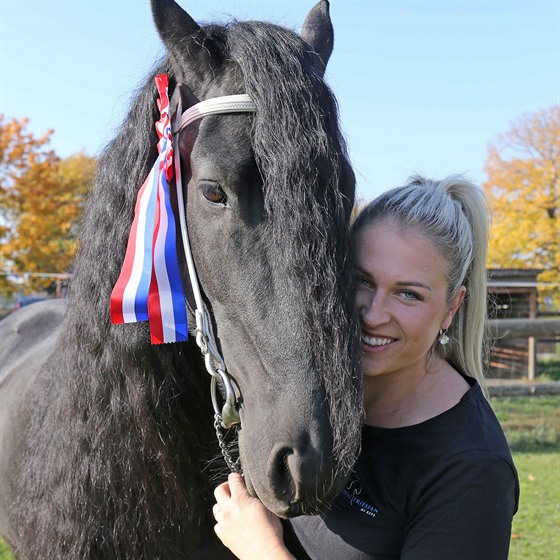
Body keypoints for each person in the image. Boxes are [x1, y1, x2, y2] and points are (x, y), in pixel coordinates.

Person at [212, 175, 519, 560]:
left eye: (408, 294)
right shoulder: (306, 396)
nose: (373, 314)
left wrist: (260, 548)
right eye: (361, 280)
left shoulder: (472, 468)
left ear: (451, 308)